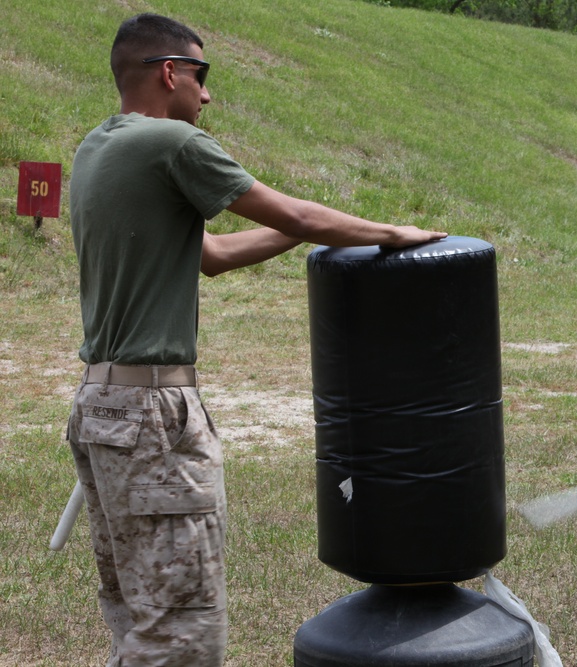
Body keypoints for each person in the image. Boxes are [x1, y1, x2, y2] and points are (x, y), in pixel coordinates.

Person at [66, 13, 447, 667]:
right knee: (181, 636)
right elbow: (291, 210)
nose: (207, 94)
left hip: (100, 409)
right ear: (169, 73)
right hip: (153, 419)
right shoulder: (172, 144)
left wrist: (310, 229)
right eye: (201, 75)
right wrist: (392, 234)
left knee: (139, 622)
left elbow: (211, 253)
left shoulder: (96, 150)